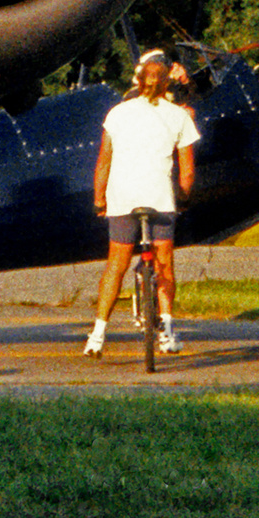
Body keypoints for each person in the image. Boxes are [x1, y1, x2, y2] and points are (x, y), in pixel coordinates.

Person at [83, 51, 199, 358]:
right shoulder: (179, 115)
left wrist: (99, 201)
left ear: (138, 80)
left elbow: (103, 163)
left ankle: (97, 335)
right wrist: (183, 199)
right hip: (160, 198)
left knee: (116, 266)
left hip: (123, 199)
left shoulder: (117, 113)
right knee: (165, 265)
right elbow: (186, 171)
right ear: (165, 84)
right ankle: (169, 333)